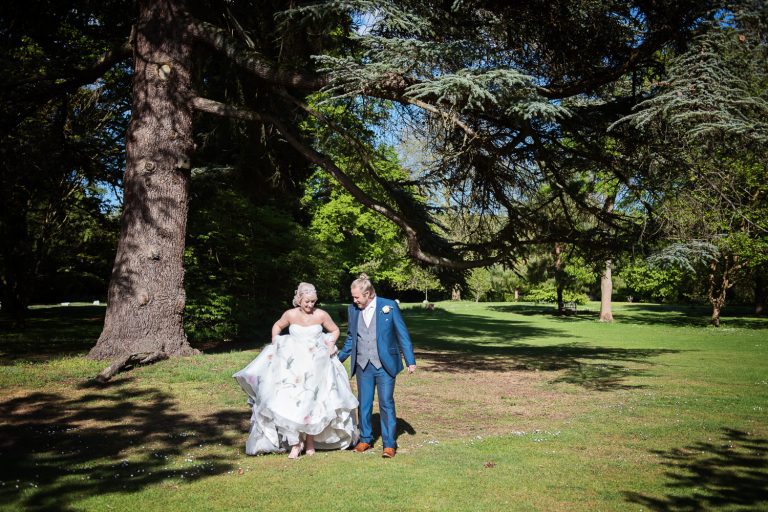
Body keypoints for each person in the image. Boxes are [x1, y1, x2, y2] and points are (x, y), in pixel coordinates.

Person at [233, 283, 358, 458]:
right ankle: (295, 443)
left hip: (315, 365)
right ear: (299, 299)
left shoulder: (321, 314)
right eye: (307, 301)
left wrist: (330, 343)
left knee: (313, 401)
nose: (310, 305)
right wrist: (277, 343)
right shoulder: (289, 314)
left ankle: (310, 442)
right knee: (291, 401)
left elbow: (335, 330)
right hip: (292, 367)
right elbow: (277, 326)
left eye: (313, 302)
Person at [338, 273, 416, 458]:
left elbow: (402, 334)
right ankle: (365, 439)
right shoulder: (353, 310)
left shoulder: (388, 306)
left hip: (385, 364)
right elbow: (351, 337)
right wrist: (338, 359)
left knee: (386, 403)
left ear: (368, 294)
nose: (354, 300)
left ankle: (389, 444)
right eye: (353, 297)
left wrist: (410, 361)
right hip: (363, 364)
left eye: (357, 297)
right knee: (363, 404)